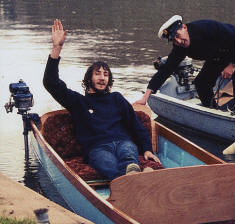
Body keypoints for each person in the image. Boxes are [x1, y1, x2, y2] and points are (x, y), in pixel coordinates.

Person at [43, 19, 161, 180]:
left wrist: (147, 149)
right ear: (89, 78)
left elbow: (135, 125)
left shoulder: (116, 98)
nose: (102, 78)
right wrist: (57, 47)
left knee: (128, 153)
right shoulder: (78, 102)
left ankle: (132, 175)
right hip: (97, 148)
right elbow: (51, 82)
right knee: (107, 163)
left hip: (122, 142)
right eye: (97, 73)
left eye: (106, 74)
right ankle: (135, 179)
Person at [134, 15, 235, 114]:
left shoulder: (206, 27)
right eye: (174, 40)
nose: (179, 41)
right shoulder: (180, 48)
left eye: (177, 35)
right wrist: (145, 98)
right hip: (219, 55)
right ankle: (212, 112)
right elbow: (165, 70)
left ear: (184, 27)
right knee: (201, 83)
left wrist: (232, 64)